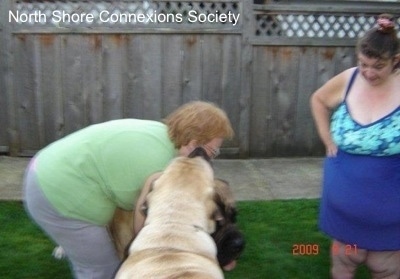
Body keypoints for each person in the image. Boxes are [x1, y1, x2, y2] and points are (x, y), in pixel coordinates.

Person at [23, 100, 234, 279]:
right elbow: (142, 229)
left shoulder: (161, 136)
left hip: (45, 167)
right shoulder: (157, 168)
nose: (210, 158)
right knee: (103, 269)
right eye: (212, 151)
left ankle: (74, 247)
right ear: (193, 143)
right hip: (56, 193)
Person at [310, 14, 400, 279]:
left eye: (378, 66)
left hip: (390, 206)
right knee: (345, 258)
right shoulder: (349, 79)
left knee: (384, 267)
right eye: (363, 64)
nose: (369, 73)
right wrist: (327, 138)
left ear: (396, 60)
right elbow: (318, 99)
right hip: (343, 203)